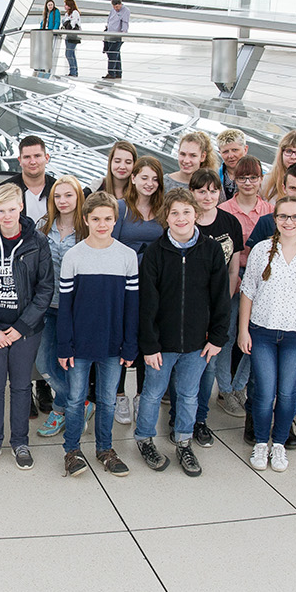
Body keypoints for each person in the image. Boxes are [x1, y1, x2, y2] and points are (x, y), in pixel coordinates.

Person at [136, 188, 230, 476]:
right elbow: (147, 303)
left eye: (186, 212)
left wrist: (217, 338)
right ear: (166, 216)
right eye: (174, 212)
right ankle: (144, 439)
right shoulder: (155, 252)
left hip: (197, 344)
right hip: (161, 344)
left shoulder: (211, 250)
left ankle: (183, 441)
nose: (180, 218)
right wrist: (149, 345)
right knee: (152, 393)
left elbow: (220, 298)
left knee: (189, 395)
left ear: (196, 215)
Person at [0, 183, 53, 471]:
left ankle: (19, 442)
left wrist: (22, 326)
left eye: (12, 209)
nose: (6, 215)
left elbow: (45, 288)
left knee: (20, 386)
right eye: (1, 210)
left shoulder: (37, 242)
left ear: (21, 208)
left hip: (25, 329)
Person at [239, 196, 296, 473]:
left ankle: (279, 443)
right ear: (275, 219)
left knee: (288, 393)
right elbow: (248, 292)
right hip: (263, 332)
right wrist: (243, 329)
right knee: (264, 393)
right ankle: (261, 443)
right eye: (283, 216)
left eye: (295, 217)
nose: (289, 222)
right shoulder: (262, 250)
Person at [53, 191, 138, 476]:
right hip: (79, 345)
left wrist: (130, 345)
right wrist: (64, 346)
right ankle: (72, 450)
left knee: (108, 400)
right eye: (96, 219)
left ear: (115, 220)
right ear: (86, 220)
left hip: (113, 345)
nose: (102, 224)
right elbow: (65, 307)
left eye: (108, 219)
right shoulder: (74, 256)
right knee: (76, 400)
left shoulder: (127, 257)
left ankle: (105, 448)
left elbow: (131, 306)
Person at [33, 176, 89, 439]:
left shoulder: (87, 229)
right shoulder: (43, 227)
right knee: (44, 360)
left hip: (77, 308)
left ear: (78, 198)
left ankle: (59, 408)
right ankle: (80, 403)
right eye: (57, 196)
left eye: (69, 195)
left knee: (70, 363)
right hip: (46, 305)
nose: (63, 201)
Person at [188, 168, 242, 436]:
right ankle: (181, 416)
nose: (208, 196)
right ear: (192, 193)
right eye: (201, 191)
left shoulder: (230, 223)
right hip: (190, 306)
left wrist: (223, 301)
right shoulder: (185, 222)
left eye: (213, 190)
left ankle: (200, 419)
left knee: (209, 362)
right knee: (187, 365)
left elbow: (234, 269)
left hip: (221, 303)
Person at [112, 156, 167, 416]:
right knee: (125, 337)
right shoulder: (121, 208)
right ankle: (120, 394)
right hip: (125, 284)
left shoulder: (164, 211)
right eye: (144, 177)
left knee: (149, 336)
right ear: (133, 178)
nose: (149, 183)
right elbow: (109, 246)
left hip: (155, 284)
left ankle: (142, 395)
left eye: (155, 179)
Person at [216, 155, 271, 415]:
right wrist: (232, 276)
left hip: (262, 280)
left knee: (255, 335)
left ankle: (240, 386)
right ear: (234, 180)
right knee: (226, 334)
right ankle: (225, 390)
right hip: (232, 276)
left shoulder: (270, 211)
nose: (248, 183)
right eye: (242, 178)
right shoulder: (224, 210)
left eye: (253, 178)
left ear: (261, 180)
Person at [1, 134, 54, 225]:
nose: (32, 162)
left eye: (37, 156)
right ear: (20, 160)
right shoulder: (4, 191)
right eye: (27, 157)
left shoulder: (57, 189)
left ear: (46, 158)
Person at [216, 129, 249, 199]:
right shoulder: (214, 176)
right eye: (225, 152)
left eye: (235, 150)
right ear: (220, 153)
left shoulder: (260, 176)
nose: (230, 156)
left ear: (245, 149)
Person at [103, 0, 128, 80]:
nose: (116, 9)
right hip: (110, 34)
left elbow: (125, 22)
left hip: (118, 36)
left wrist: (124, 32)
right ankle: (118, 72)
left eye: (117, 7)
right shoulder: (112, 11)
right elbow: (109, 20)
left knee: (112, 53)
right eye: (114, 7)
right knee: (115, 53)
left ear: (120, 4)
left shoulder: (125, 11)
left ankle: (111, 73)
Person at [62, 0, 83, 77]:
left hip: (73, 35)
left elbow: (71, 25)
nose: (65, 6)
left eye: (66, 5)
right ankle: (73, 71)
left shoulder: (75, 13)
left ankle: (73, 72)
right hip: (68, 35)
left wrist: (67, 22)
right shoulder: (67, 14)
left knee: (69, 53)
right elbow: (64, 23)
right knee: (71, 53)